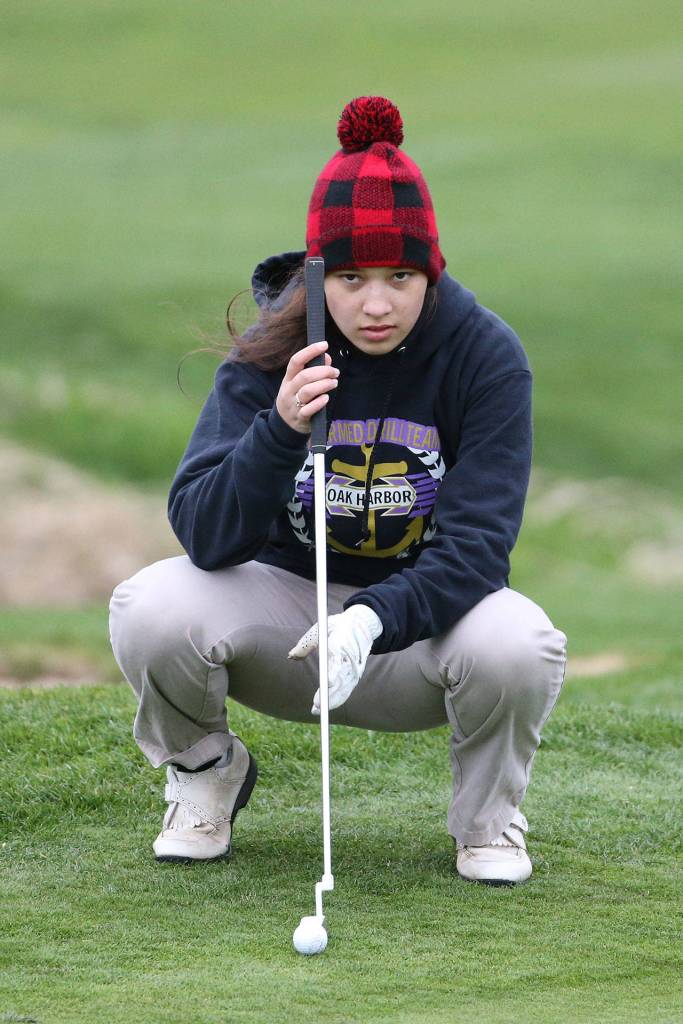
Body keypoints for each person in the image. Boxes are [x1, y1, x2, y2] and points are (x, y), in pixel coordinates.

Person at [109, 96, 567, 885]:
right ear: (320, 275)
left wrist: (370, 617)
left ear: (432, 269)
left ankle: (488, 822)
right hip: (286, 621)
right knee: (149, 607)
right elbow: (207, 536)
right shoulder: (272, 351)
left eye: (401, 275)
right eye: (352, 278)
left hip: (417, 634)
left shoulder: (484, 355)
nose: (378, 303)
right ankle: (206, 770)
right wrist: (279, 429)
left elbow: (477, 552)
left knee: (518, 642)